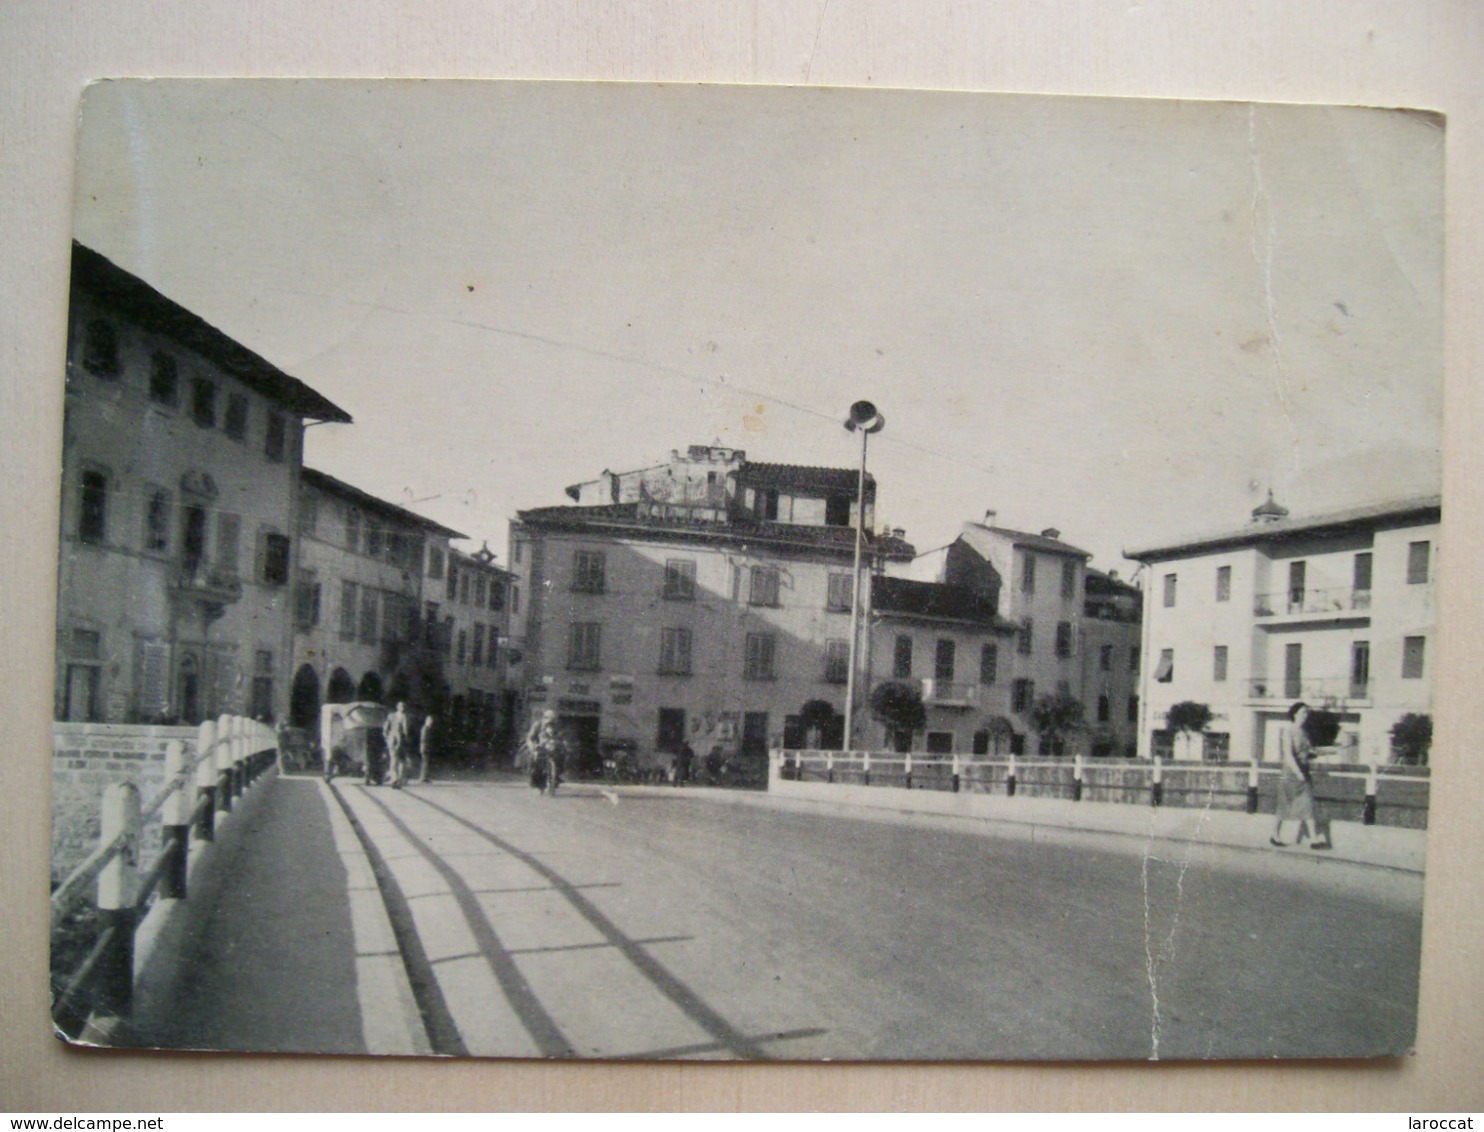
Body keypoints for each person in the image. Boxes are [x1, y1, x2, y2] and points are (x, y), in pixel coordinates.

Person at [1271, 701, 1329, 849]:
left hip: (1304, 772)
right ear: (1295, 713)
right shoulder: (1288, 731)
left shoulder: (1304, 733)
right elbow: (1288, 755)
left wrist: (1315, 754)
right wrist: (1297, 772)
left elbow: (1308, 752)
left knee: (1308, 804)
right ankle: (1275, 835)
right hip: (1290, 774)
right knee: (1284, 805)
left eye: (1307, 713)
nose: (1305, 716)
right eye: (1303, 712)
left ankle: (1314, 839)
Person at [383, 701, 410, 789]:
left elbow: (407, 731)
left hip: (403, 741)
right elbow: (385, 729)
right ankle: (394, 779)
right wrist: (388, 739)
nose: (403, 707)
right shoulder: (391, 716)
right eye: (401, 706)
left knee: (402, 761)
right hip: (393, 741)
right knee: (394, 760)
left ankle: (400, 779)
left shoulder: (407, 717)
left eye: (404, 706)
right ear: (397, 707)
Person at [417, 713, 435, 784]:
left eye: (432, 721)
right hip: (425, 747)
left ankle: (424, 776)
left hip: (425, 747)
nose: (431, 722)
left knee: (426, 762)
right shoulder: (425, 728)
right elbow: (424, 739)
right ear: (427, 721)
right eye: (430, 721)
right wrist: (426, 747)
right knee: (425, 762)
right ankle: (423, 777)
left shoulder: (427, 728)